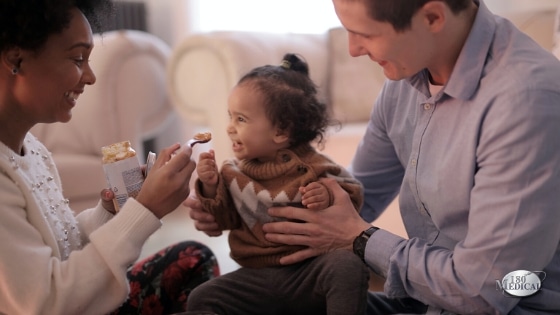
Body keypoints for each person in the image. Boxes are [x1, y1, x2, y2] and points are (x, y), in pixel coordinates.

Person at [188, 0, 560, 314]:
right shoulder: (405, 82)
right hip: (422, 297)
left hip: (503, 305)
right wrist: (234, 206)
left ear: (432, 18)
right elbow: (349, 199)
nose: (352, 50)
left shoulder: (525, 101)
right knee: (214, 301)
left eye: (365, 34)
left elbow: (487, 290)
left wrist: (362, 239)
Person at [0, 1, 218, 314]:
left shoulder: (32, 149)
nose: (89, 77)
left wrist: (117, 208)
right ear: (16, 59)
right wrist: (147, 209)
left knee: (192, 259)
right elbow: (44, 302)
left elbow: (62, 247)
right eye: (77, 59)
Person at [185, 53, 369, 315]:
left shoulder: (315, 167)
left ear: (281, 131)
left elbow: (351, 196)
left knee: (347, 266)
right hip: (256, 278)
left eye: (241, 119)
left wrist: (326, 197)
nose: (229, 128)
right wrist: (210, 186)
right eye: (230, 117)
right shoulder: (231, 173)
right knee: (202, 297)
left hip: (309, 272)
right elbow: (222, 220)